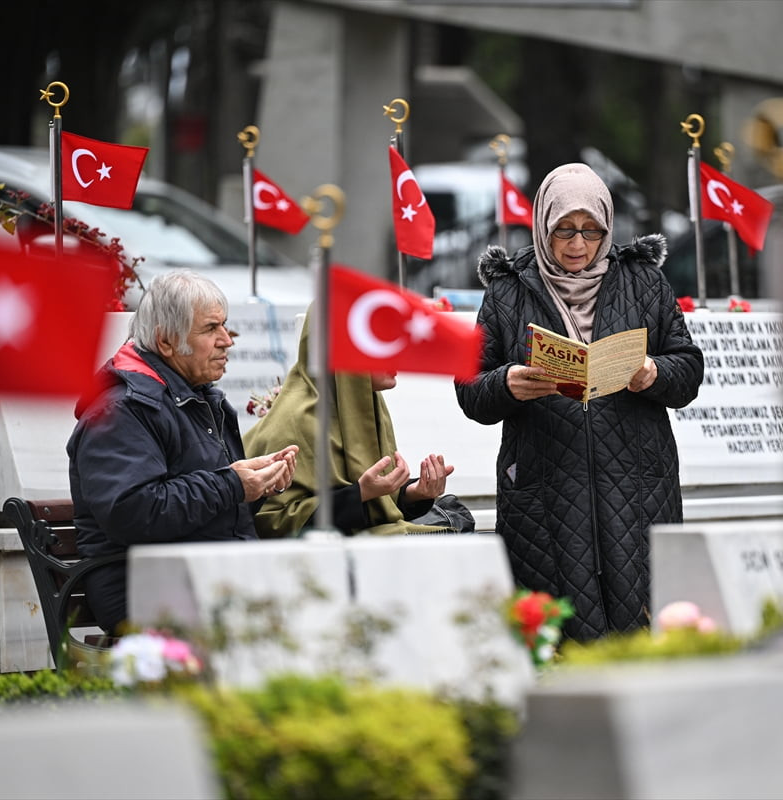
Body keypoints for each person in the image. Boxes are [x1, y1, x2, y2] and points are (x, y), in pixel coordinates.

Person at [455, 163, 704, 641]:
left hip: (637, 488)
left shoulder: (643, 283)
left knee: (644, 626)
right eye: (564, 230)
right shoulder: (508, 291)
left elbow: (688, 369)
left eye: (592, 231)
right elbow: (470, 388)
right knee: (563, 635)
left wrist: (652, 373)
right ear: (542, 224)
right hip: (545, 492)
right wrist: (508, 383)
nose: (577, 245)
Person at [67, 270, 298, 635]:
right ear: (166, 340)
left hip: (207, 577)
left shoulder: (201, 399)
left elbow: (214, 510)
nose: (227, 341)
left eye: (225, 326)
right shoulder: (119, 411)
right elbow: (135, 512)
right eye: (210, 329)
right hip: (148, 591)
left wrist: (258, 484)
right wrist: (232, 485)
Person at [243, 305, 460, 537]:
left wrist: (416, 493)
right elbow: (270, 524)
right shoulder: (295, 421)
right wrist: (359, 494)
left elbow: (380, 508)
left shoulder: (366, 401)